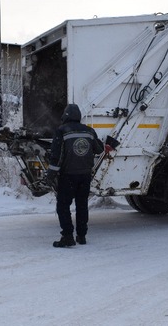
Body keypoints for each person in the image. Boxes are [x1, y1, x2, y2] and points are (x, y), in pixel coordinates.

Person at [45, 104, 104, 248]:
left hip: (68, 176)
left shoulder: (61, 131)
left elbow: (56, 157)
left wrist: (50, 175)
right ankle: (82, 236)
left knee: (63, 206)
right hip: (85, 176)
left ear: (65, 116)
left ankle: (67, 236)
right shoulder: (89, 131)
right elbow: (99, 149)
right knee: (82, 205)